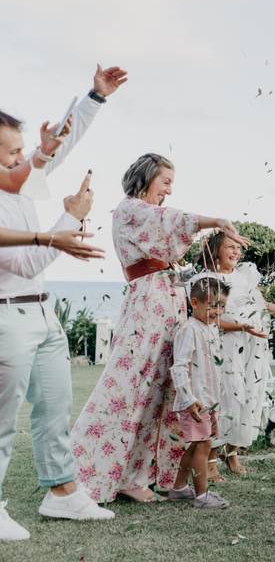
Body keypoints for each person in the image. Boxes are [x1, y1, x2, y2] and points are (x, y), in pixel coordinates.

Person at [70, 153, 249, 504]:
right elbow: (168, 220)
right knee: (132, 388)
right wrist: (213, 220)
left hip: (166, 304)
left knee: (162, 394)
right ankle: (99, 471)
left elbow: (165, 235)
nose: (169, 190)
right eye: (165, 181)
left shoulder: (145, 215)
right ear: (147, 177)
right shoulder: (130, 210)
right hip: (148, 308)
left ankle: (148, 475)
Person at [0, 67, 126, 542]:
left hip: (41, 311)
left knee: (54, 407)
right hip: (5, 315)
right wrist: (67, 219)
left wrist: (95, 96)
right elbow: (28, 261)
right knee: (1, 419)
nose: (24, 156)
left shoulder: (18, 180)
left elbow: (61, 143)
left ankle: (62, 493)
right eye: (13, 150)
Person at [199, 231, 275, 478]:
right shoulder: (208, 279)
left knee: (249, 396)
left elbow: (262, 305)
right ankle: (209, 459)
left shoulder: (245, 275)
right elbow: (209, 319)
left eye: (238, 249)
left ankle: (232, 453)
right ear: (217, 248)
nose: (236, 252)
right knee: (225, 397)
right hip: (225, 345)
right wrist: (241, 327)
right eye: (231, 247)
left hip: (253, 345)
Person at [168, 275, 231, 509]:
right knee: (203, 445)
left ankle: (179, 487)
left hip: (208, 400)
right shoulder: (189, 329)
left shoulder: (210, 329)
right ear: (195, 303)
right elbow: (180, 366)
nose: (217, 311)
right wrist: (188, 399)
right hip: (195, 401)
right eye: (213, 305)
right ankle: (202, 496)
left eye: (221, 306)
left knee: (197, 445)